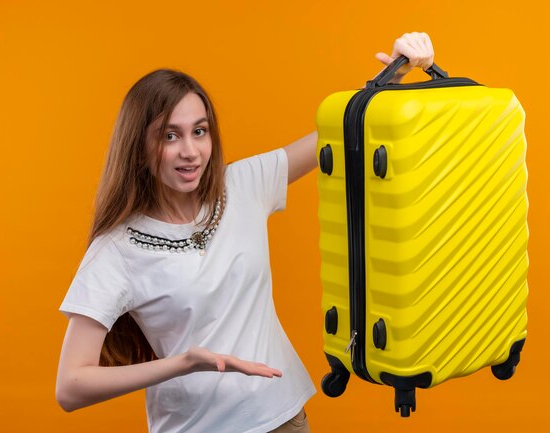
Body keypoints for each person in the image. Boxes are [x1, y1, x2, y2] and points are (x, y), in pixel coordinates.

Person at [56, 32, 435, 433]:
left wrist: (394, 73)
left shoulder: (240, 185)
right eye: (170, 135)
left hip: (284, 418)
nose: (190, 151)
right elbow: (70, 386)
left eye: (199, 131)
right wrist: (180, 365)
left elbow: (340, 129)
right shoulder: (117, 249)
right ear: (139, 146)